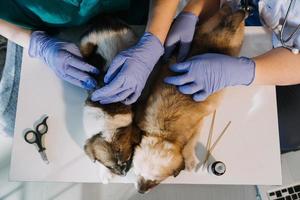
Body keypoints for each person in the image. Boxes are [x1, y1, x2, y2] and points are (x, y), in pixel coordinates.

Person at [0, 0, 218, 136]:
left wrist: (153, 39)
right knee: (12, 121)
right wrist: (37, 44)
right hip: (41, 26)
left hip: (133, 13)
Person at [163, 0, 300, 152]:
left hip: (291, 55)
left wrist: (244, 71)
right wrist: (192, 11)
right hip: (243, 12)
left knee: (275, 131)